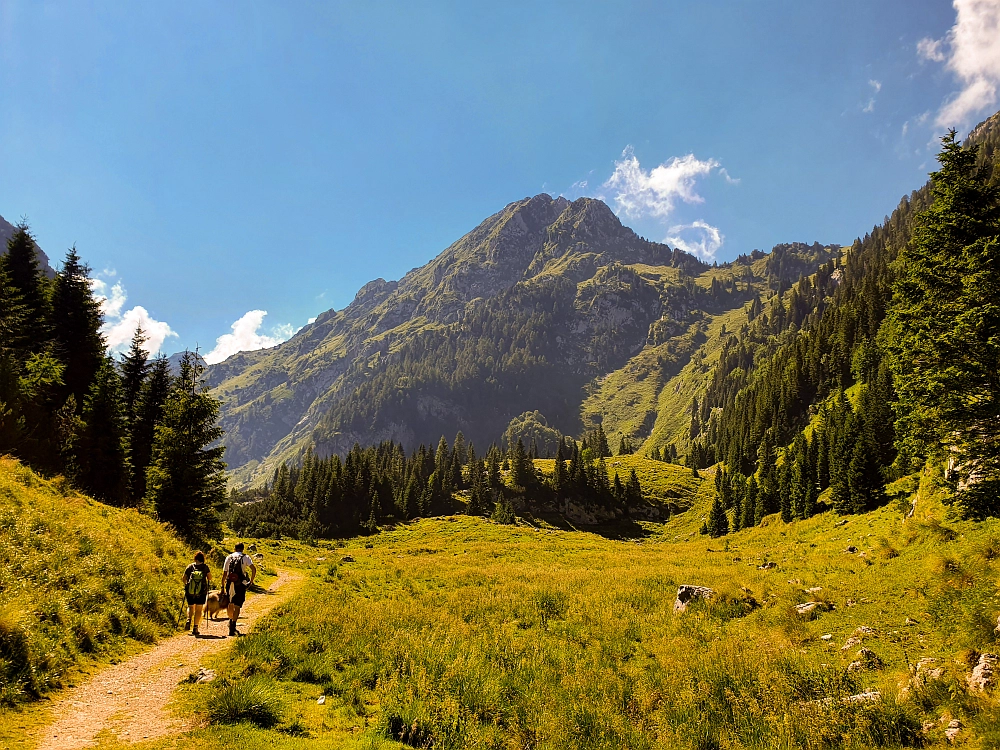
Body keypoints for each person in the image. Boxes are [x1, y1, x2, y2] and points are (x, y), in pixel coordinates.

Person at [221, 542, 257, 636]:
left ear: (234, 548)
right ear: (242, 549)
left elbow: (225, 573)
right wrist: (251, 581)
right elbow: (254, 569)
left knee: (230, 602)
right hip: (240, 584)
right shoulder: (246, 557)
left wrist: (222, 585)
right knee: (237, 605)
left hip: (229, 583)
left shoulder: (229, 557)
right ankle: (233, 625)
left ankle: (230, 620)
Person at [182, 551, 212, 637]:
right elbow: (210, 578)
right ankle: (195, 627)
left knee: (191, 607)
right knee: (199, 609)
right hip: (201, 592)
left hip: (190, 592)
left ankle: (188, 619)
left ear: (195, 558)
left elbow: (184, 578)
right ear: (203, 559)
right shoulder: (205, 567)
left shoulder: (190, 566)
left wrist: (187, 585)